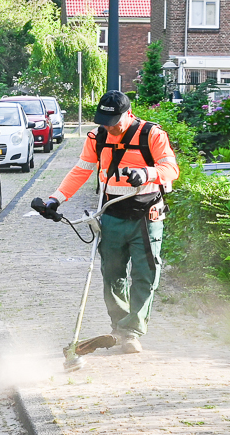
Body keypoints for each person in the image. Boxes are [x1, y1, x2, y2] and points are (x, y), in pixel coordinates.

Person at [33, 91, 179, 354]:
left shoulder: (152, 135)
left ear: (128, 114)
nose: (108, 127)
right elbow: (81, 170)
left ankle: (132, 331)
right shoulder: (97, 137)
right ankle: (119, 327)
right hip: (111, 213)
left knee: (145, 274)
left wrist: (147, 173)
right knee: (112, 274)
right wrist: (56, 199)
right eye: (104, 121)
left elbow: (171, 169)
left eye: (113, 121)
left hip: (146, 216)